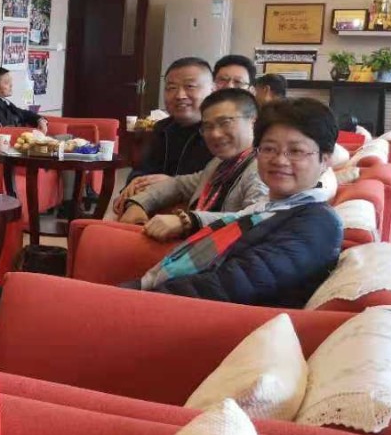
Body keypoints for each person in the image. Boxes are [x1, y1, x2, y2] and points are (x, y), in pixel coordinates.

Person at [129, 98, 343, 308]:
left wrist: (140, 300)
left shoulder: (318, 223)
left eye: (296, 151)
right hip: (170, 294)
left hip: (198, 316)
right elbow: (182, 184)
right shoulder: (267, 208)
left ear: (325, 159)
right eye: (269, 149)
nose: (280, 160)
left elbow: (232, 285)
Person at [119, 88, 268, 239]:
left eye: (225, 122)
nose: (215, 134)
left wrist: (190, 221)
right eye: (208, 126)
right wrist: (138, 203)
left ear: (253, 122)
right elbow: (178, 185)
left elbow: (257, 220)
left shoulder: (263, 170)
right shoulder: (218, 163)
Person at [114, 57, 215, 214]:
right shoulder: (163, 128)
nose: (180, 95)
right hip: (153, 203)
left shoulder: (218, 133)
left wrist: (171, 184)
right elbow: (144, 168)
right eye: (171, 88)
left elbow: (216, 184)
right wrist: (135, 182)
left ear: (213, 90)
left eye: (190, 86)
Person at [0, 66, 46, 130]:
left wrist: (40, 120)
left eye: (10, 82)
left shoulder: (2, 101)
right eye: (6, 82)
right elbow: (5, 130)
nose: (11, 85)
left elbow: (22, 113)